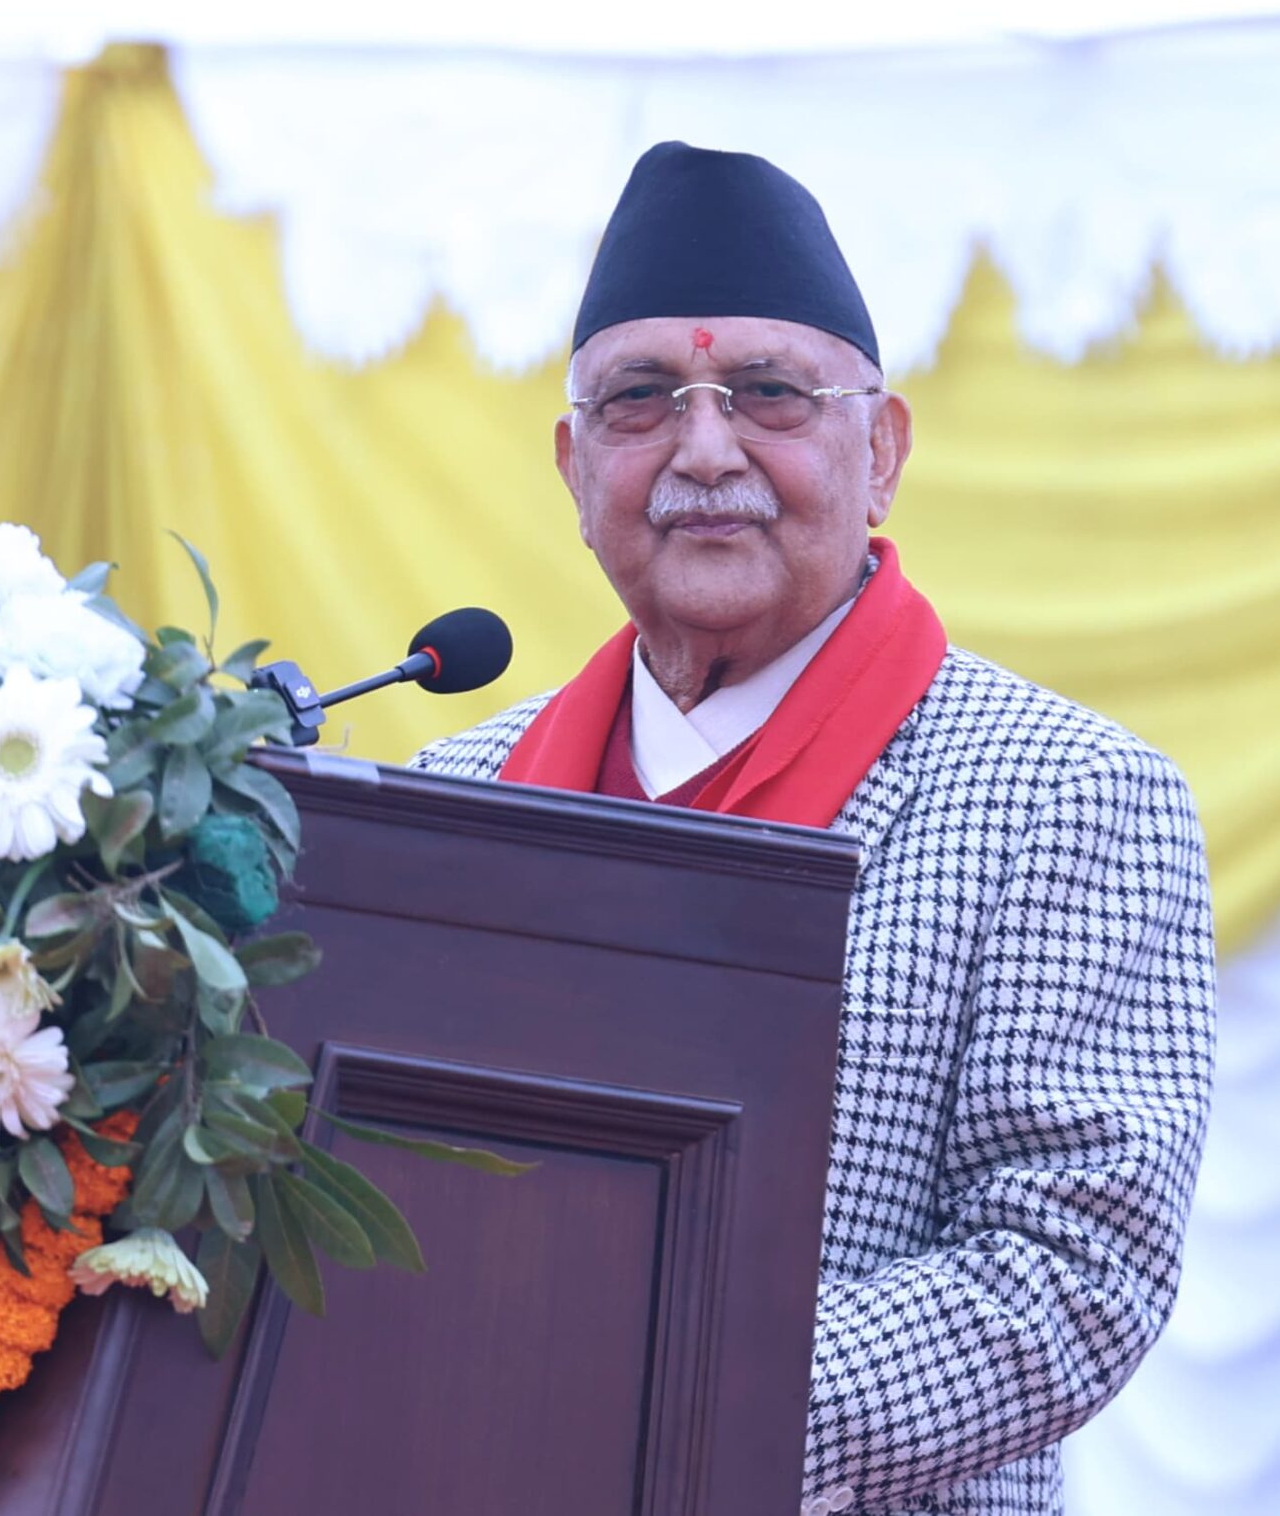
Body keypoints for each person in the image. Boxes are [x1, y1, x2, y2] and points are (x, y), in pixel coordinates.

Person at [412, 142, 1217, 1516]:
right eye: (641, 399)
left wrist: (664, 1424)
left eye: (770, 395)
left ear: (882, 450)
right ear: (573, 462)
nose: (704, 450)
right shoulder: (458, 792)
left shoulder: (1065, 795)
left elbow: (1076, 1264)